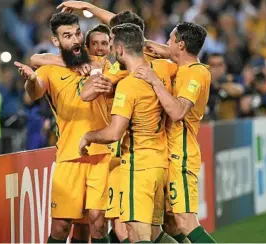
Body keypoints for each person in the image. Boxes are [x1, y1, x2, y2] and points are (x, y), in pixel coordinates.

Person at [14, 12, 113, 243]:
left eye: (77, 33)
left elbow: (37, 57)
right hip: (69, 155)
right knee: (61, 227)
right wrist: (30, 79)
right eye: (67, 36)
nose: (76, 40)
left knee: (98, 223)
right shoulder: (49, 70)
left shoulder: (96, 59)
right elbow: (35, 87)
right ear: (56, 41)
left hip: (100, 153)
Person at [79, 23, 173, 243]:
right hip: (159, 164)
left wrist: (88, 136)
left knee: (138, 235)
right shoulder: (159, 73)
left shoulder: (129, 85)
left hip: (138, 166)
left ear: (120, 50)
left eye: (112, 46)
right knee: (154, 233)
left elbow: (114, 132)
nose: (111, 51)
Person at [134, 21, 216, 243]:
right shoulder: (178, 65)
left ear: (180, 45)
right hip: (165, 154)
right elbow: (133, 36)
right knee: (167, 223)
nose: (165, 43)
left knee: (184, 221)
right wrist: (90, 8)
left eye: (170, 39)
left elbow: (178, 111)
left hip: (181, 154)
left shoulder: (196, 73)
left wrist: (154, 82)